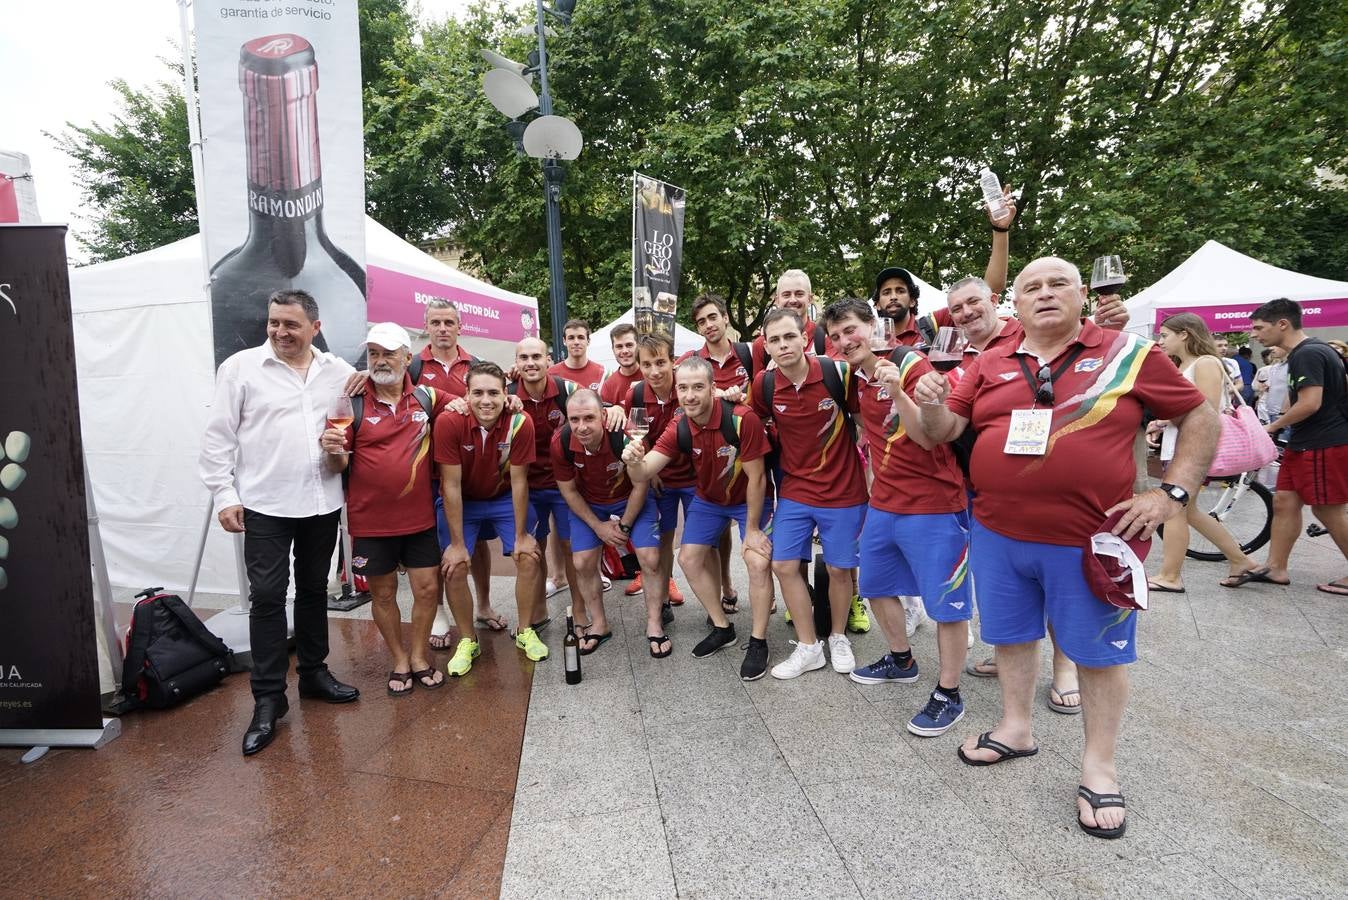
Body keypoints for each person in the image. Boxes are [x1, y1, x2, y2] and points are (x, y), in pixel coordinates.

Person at [914, 256, 1218, 839]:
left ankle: (1099, 766)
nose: (1045, 294)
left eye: (1059, 284)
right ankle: (1014, 727)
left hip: (1092, 538)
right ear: (1016, 304)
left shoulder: (1128, 353)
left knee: (1100, 655)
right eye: (1032, 287)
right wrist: (930, 400)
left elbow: (1199, 416)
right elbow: (943, 432)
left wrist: (1173, 494)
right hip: (998, 532)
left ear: (1082, 295)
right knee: (1010, 635)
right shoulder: (989, 360)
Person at [199, 289, 362, 757]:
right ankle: (268, 699)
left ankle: (313, 674)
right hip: (265, 505)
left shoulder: (339, 373)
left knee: (314, 590)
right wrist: (225, 495)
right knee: (268, 598)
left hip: (322, 501)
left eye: (290, 324)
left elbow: (374, 393)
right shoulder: (240, 368)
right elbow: (217, 439)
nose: (279, 332)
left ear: (316, 326)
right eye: (273, 323)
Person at [821, 299, 972, 736]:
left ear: (873, 326)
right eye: (835, 336)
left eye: (851, 330)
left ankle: (949, 691)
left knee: (947, 604)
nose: (844, 341)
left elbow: (929, 438)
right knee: (876, 585)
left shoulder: (913, 366)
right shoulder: (856, 379)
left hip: (935, 503)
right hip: (885, 502)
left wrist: (899, 391)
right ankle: (901, 658)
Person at [623, 356, 777, 678]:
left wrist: (750, 529)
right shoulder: (679, 425)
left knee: (757, 560)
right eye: (683, 388)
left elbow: (758, 478)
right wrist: (633, 460)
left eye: (697, 387)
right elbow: (646, 469)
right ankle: (723, 627)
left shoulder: (740, 419)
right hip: (709, 500)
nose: (690, 395)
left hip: (748, 499)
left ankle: (759, 640)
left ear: (712, 387)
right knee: (689, 559)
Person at [319, 323, 449, 696]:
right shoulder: (350, 402)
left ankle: (420, 655)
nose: (380, 361)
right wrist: (332, 450)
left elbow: (471, 399)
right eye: (373, 353)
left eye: (389, 353)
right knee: (384, 595)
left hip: (420, 518)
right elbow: (337, 467)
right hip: (371, 522)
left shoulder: (427, 398)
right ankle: (399, 659)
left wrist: (508, 397)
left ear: (408, 358)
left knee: (426, 591)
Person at [751, 308, 869, 678]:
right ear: (766, 345)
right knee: (784, 565)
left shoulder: (839, 373)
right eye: (775, 339)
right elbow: (752, 422)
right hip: (796, 490)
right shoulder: (764, 385)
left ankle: (836, 636)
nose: (783, 345)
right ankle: (808, 646)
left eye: (790, 336)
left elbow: (866, 422)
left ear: (804, 337)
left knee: (838, 568)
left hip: (844, 490)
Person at [434, 362, 547, 675]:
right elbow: (451, 485)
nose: (486, 400)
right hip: (465, 501)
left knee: (527, 555)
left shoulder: (520, 422)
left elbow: (521, 481)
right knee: (454, 566)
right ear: (466, 394)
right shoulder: (449, 421)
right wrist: (457, 545)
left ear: (506, 393)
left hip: (502, 497)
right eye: (478, 393)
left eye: (494, 393)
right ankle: (468, 639)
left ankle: (525, 631)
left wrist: (523, 534)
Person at [1145, 313, 1266, 590]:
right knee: (1190, 512)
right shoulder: (1185, 364)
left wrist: (1165, 420)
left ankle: (1170, 576)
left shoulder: (1206, 362)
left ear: (1185, 334)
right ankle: (1241, 560)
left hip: (1193, 448)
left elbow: (1206, 410)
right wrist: (1163, 422)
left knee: (1176, 510)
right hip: (1181, 444)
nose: (1161, 341)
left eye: (1165, 335)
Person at [412, 299, 507, 646]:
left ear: (459, 326)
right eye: (435, 322)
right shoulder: (413, 366)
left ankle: (482, 604)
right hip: (429, 470)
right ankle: (438, 611)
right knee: (440, 545)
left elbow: (498, 401)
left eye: (448, 322)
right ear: (426, 326)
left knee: (478, 543)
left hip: (474, 469)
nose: (442, 328)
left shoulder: (477, 364)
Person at [1244, 298, 1348, 596]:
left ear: (1283, 324)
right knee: (1285, 501)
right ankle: (1276, 568)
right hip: (1304, 442)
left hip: (1323, 443)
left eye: (1259, 328)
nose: (1254, 334)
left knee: (1328, 510)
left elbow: (1310, 403)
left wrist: (1272, 426)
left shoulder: (1309, 353)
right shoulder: (1310, 352)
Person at [551, 391, 666, 654]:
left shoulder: (626, 435)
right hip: (590, 505)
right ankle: (599, 624)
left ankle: (654, 624)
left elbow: (641, 484)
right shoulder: (561, 442)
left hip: (630, 499)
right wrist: (597, 527)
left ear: (603, 416)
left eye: (589, 418)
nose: (582, 427)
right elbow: (568, 491)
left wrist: (624, 527)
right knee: (582, 562)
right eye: (575, 419)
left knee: (649, 557)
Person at [510, 337, 582, 626]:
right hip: (527, 486)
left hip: (565, 485)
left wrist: (612, 408)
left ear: (548, 360)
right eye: (524, 358)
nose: (530, 363)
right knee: (533, 550)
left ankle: (579, 609)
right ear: (516, 363)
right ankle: (538, 610)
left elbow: (595, 404)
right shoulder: (507, 395)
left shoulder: (566, 389)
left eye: (536, 357)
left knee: (569, 547)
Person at [620, 334, 690, 608]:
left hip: (695, 476)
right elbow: (638, 437)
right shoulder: (636, 394)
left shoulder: (685, 387)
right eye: (647, 364)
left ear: (673, 361)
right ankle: (662, 598)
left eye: (660, 362)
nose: (654, 371)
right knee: (665, 539)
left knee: (705, 542)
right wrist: (652, 472)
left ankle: (723, 592)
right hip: (661, 478)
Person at [750, 270, 837, 370]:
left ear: (810, 299)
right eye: (786, 295)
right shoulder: (761, 345)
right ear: (777, 300)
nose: (793, 300)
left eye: (799, 294)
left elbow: (839, 373)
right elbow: (759, 384)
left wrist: (787, 361)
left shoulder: (828, 336)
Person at [549, 318, 606, 391]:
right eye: (571, 338)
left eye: (581, 337)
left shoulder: (602, 374)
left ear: (588, 341)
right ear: (564, 341)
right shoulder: (551, 374)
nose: (576, 342)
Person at [600, 323, 644, 406]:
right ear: (613, 349)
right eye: (619, 346)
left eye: (629, 345)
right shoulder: (608, 386)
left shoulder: (652, 375)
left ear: (638, 346)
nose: (625, 351)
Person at [1254, 346, 1289, 425]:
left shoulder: (1292, 365)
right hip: (1270, 410)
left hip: (1283, 412)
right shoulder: (1274, 368)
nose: (1272, 349)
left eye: (1276, 345)